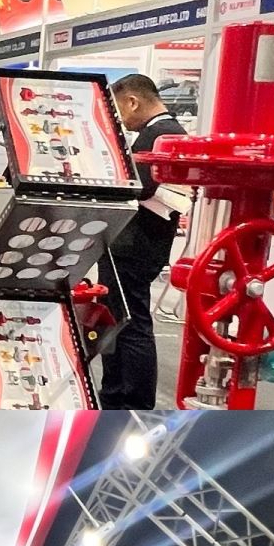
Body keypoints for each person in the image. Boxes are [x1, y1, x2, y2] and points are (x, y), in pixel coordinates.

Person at [98, 73, 187, 410]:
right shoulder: (166, 133)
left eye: (119, 109)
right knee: (118, 319)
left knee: (131, 323)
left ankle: (131, 399)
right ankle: (116, 393)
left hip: (135, 243)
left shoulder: (160, 135)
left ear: (132, 101)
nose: (120, 119)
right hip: (136, 241)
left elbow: (140, 185)